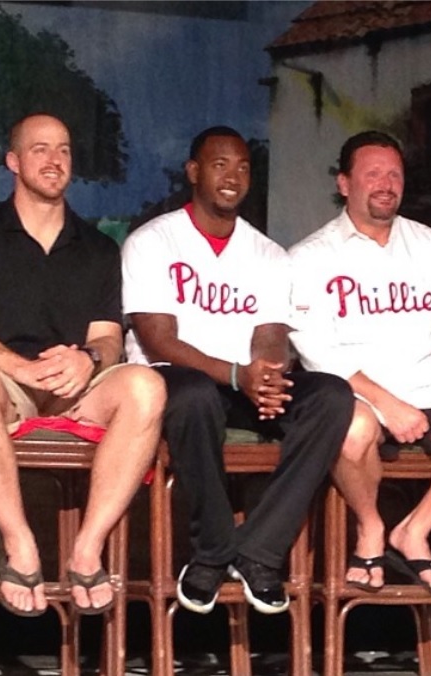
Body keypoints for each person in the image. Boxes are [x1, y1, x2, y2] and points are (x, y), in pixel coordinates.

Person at [121, 126, 354, 615]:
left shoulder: (267, 253)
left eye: (243, 167)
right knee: (194, 394)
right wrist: (233, 374)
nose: (233, 177)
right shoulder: (153, 241)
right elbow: (159, 339)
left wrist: (266, 376)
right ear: (194, 172)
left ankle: (258, 551)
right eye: (220, 165)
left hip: (241, 384)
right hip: (175, 380)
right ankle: (211, 552)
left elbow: (270, 335)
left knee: (331, 396)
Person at [289, 131, 431, 597]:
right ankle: (371, 526)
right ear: (344, 183)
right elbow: (316, 352)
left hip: (427, 393)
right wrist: (387, 404)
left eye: (394, 174)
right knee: (351, 428)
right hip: (357, 395)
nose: (386, 184)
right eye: (373, 173)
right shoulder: (310, 256)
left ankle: (415, 530)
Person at [0, 113, 166, 617]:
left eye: (64, 150)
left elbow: (108, 339)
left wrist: (87, 359)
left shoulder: (97, 247)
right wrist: (20, 369)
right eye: (41, 149)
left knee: (146, 386)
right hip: (8, 386)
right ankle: (20, 545)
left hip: (76, 387)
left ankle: (87, 549)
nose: (55, 160)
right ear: (13, 161)